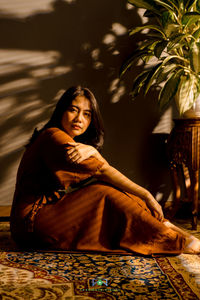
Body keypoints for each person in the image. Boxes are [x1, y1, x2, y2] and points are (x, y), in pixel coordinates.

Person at [10, 86, 200, 255]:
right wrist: (147, 196)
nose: (79, 119)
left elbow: (101, 171)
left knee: (104, 189)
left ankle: (165, 227)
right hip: (31, 222)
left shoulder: (67, 140)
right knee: (103, 192)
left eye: (87, 114)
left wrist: (94, 152)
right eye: (73, 110)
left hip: (40, 215)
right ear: (61, 111)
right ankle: (171, 239)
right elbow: (102, 171)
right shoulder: (54, 137)